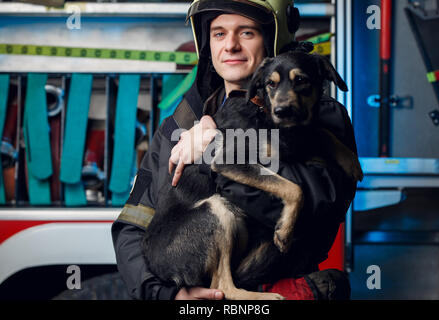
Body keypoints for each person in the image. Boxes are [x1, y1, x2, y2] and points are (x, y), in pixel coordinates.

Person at [111, 0, 357, 300]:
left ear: (272, 38)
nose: (230, 46)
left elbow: (315, 211)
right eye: (218, 34)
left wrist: (214, 151)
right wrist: (170, 296)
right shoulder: (179, 124)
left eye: (247, 33)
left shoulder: (321, 116)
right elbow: (133, 227)